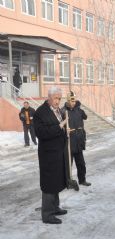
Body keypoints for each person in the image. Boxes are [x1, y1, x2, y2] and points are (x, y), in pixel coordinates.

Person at [34, 86, 68, 224]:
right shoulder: (40, 112)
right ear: (49, 97)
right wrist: (60, 127)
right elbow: (41, 133)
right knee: (49, 183)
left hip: (58, 153)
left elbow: (59, 129)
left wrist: (66, 130)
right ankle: (47, 215)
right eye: (55, 98)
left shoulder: (58, 110)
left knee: (57, 181)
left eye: (59, 98)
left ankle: (54, 207)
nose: (58, 101)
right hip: (48, 155)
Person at [62, 91, 91, 186]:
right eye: (71, 101)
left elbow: (85, 117)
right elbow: (60, 125)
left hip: (78, 140)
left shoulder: (78, 110)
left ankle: (82, 180)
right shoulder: (63, 111)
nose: (73, 103)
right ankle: (67, 182)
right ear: (68, 100)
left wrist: (80, 108)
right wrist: (65, 130)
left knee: (81, 163)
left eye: (74, 101)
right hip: (69, 141)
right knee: (68, 164)